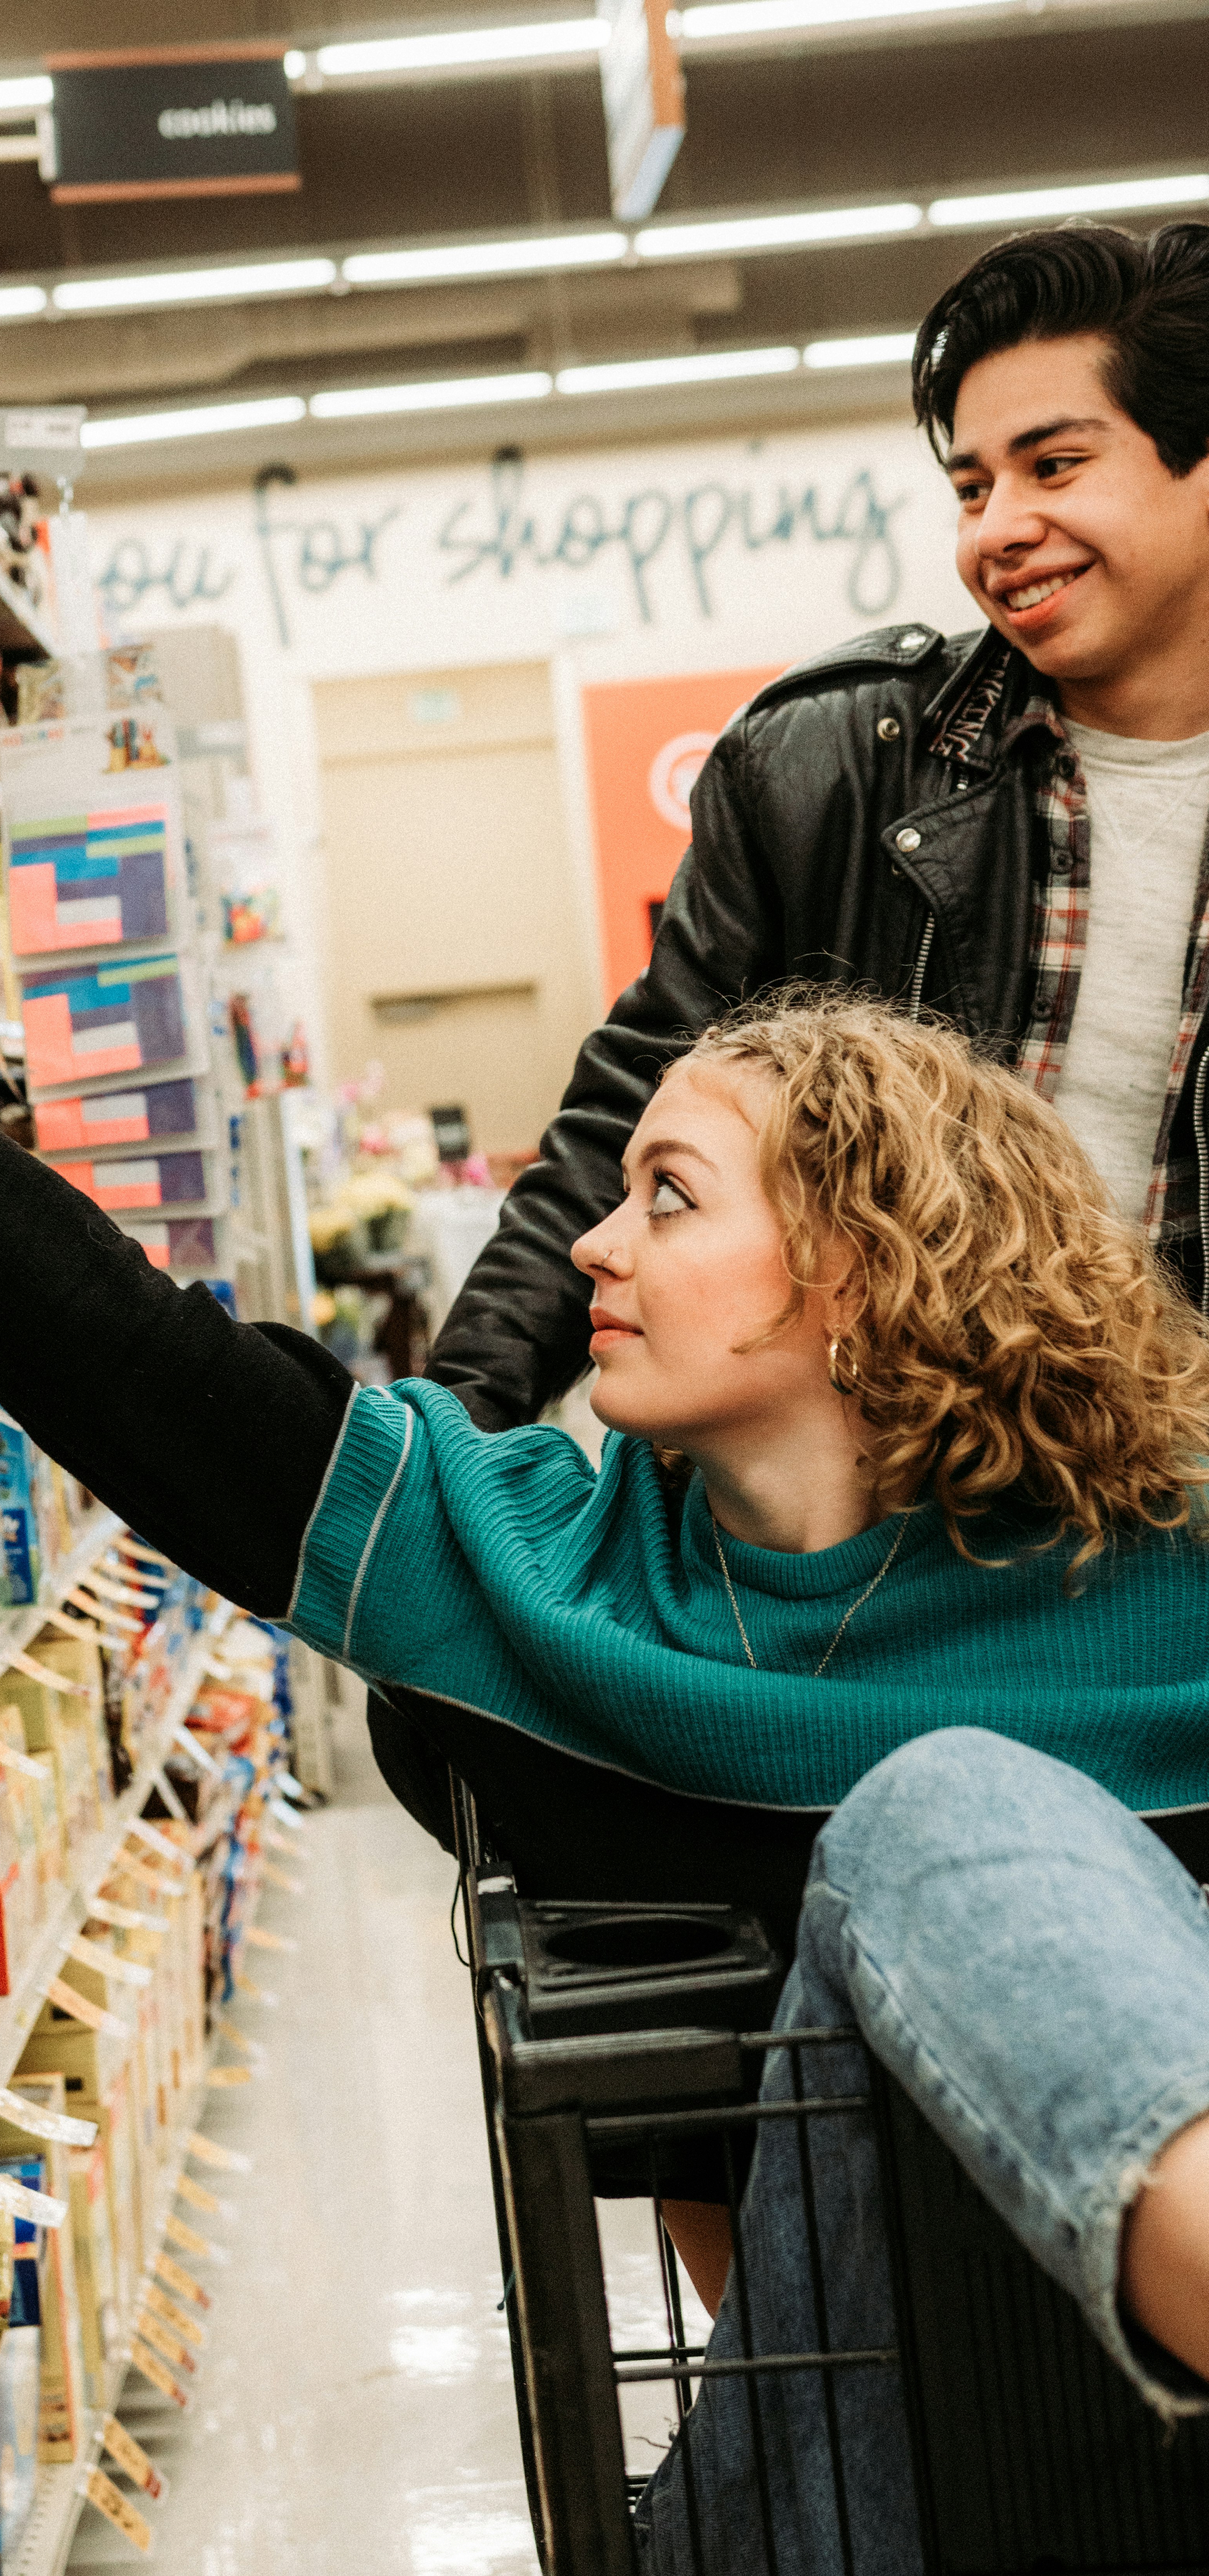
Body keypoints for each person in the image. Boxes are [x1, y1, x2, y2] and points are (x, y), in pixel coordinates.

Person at [0, 649, 1209, 2557]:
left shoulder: (1159, 1560)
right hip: (878, 2481)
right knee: (944, 1808)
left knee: (962, 1809)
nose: (591, 1235)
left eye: (669, 1195)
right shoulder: (528, 1568)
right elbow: (87, 1327)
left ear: (857, 1265)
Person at [387, 215, 1209, 1865]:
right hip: (892, 1553)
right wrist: (453, 1466)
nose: (1001, 528)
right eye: (971, 485)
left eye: (1055, 462)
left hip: (1168, 1561)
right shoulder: (837, 770)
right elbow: (622, 1122)